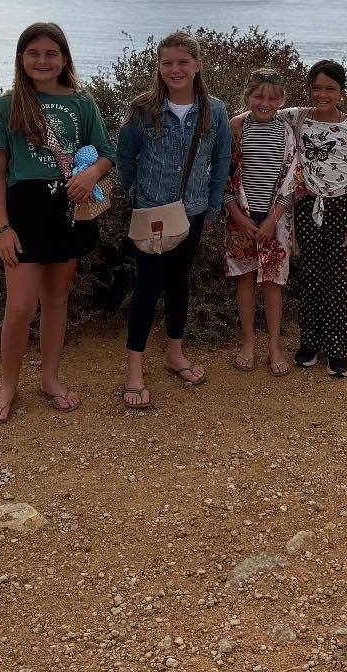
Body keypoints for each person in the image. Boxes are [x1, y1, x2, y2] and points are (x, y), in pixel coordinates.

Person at [0, 23, 116, 424]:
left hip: (70, 208)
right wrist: (2, 228)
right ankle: (8, 385)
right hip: (24, 211)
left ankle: (50, 379)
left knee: (57, 300)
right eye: (34, 53)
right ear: (21, 58)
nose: (42, 61)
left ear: (64, 59)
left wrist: (90, 176)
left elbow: (107, 154)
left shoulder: (81, 103)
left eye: (51, 54)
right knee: (20, 306)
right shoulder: (8, 106)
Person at [115, 30, 231, 409]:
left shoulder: (215, 110)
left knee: (180, 283)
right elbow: (126, 159)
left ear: (197, 65)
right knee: (147, 287)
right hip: (152, 213)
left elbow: (221, 162)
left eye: (183, 62)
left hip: (195, 211)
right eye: (167, 63)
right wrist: (138, 197)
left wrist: (212, 207)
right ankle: (134, 371)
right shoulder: (142, 109)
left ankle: (175, 354)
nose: (175, 69)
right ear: (159, 66)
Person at [283, 59, 347, 378]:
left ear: (341, 93)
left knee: (338, 280)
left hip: (341, 209)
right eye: (316, 87)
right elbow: (262, 112)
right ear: (309, 89)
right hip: (307, 207)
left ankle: (337, 351)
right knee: (310, 277)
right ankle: (309, 343)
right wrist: (230, 121)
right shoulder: (298, 117)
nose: (322, 94)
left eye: (330, 88)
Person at [223, 69, 301, 377]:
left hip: (275, 222)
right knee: (245, 279)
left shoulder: (287, 130)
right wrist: (239, 217)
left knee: (272, 283)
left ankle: (274, 345)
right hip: (240, 218)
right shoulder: (236, 127)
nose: (264, 103)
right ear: (248, 97)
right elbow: (223, 177)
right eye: (258, 96)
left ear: (282, 100)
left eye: (272, 98)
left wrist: (273, 219)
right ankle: (247, 343)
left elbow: (292, 178)